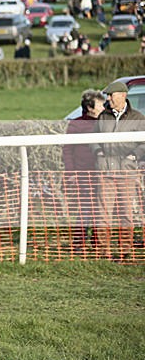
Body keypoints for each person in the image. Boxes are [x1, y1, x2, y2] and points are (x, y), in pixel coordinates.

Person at [89, 81, 145, 262]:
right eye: (108, 95)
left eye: (111, 95)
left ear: (123, 95)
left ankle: (124, 251)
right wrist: (98, 152)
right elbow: (94, 139)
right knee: (103, 213)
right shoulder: (103, 117)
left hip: (127, 174)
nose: (108, 99)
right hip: (105, 172)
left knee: (126, 214)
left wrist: (133, 157)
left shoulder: (138, 118)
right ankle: (104, 251)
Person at [62, 89, 105, 253]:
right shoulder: (76, 124)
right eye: (100, 105)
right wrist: (71, 173)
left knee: (99, 208)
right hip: (82, 174)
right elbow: (67, 150)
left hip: (101, 173)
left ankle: (96, 243)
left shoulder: (104, 123)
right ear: (90, 107)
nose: (103, 108)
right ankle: (79, 243)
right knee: (84, 209)